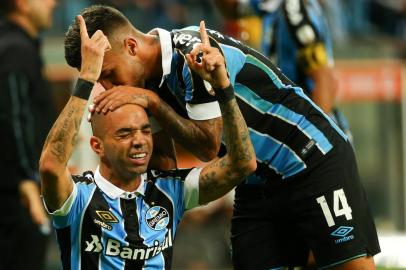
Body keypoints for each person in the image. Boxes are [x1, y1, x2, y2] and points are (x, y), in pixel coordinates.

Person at [64, 5, 380, 269]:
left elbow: (208, 145)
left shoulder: (191, 54)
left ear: (131, 47)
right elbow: (163, 165)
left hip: (312, 161)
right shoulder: (143, 87)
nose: (107, 87)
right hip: (255, 184)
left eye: (107, 73)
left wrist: (153, 103)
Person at [39, 13, 256, 270]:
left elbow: (243, 163)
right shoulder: (78, 198)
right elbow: (51, 165)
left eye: (145, 130)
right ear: (97, 146)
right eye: (125, 134)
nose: (140, 141)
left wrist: (223, 88)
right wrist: (86, 80)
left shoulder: (170, 191)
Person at [216, 0, 352, 140]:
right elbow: (233, 9)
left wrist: (312, 140)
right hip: (296, 126)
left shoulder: (294, 9)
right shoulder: (269, 5)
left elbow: (325, 81)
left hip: (319, 137)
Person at [0, 0, 57, 269]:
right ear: (22, 4)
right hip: (19, 200)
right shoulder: (15, 50)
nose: (53, 3)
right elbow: (13, 119)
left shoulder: (16, 47)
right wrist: (28, 182)